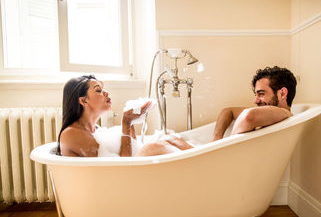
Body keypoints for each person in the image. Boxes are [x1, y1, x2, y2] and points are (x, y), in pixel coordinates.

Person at [57, 75, 193, 157]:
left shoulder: (97, 130)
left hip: (123, 176)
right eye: (98, 90)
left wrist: (131, 123)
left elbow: (131, 149)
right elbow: (120, 166)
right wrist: (126, 123)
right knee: (153, 147)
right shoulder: (71, 134)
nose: (105, 93)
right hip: (111, 186)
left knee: (167, 137)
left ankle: (202, 155)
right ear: (83, 101)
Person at [212, 66, 297, 141]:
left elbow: (248, 116)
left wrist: (224, 148)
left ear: (282, 93)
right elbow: (228, 111)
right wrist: (216, 140)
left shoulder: (284, 113)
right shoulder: (266, 115)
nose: (255, 101)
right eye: (256, 95)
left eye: (261, 94)